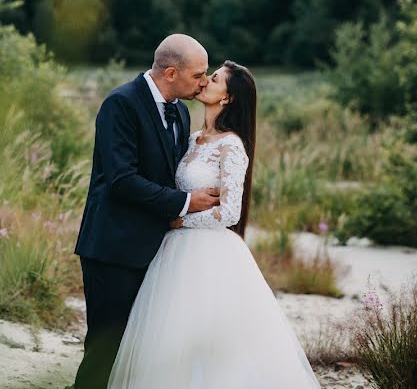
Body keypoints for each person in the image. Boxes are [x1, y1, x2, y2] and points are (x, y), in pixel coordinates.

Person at [107, 61, 321, 388]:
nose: (206, 80)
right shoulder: (194, 139)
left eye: (216, 78)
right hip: (172, 251)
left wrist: (181, 219)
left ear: (228, 98)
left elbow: (230, 213)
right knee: (169, 334)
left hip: (208, 253)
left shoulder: (231, 145)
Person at [73, 34, 222, 389]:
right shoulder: (120, 104)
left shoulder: (182, 114)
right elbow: (121, 180)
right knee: (105, 348)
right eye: (198, 75)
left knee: (139, 351)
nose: (203, 82)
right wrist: (185, 204)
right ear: (171, 73)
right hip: (113, 248)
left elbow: (170, 174)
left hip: (157, 253)